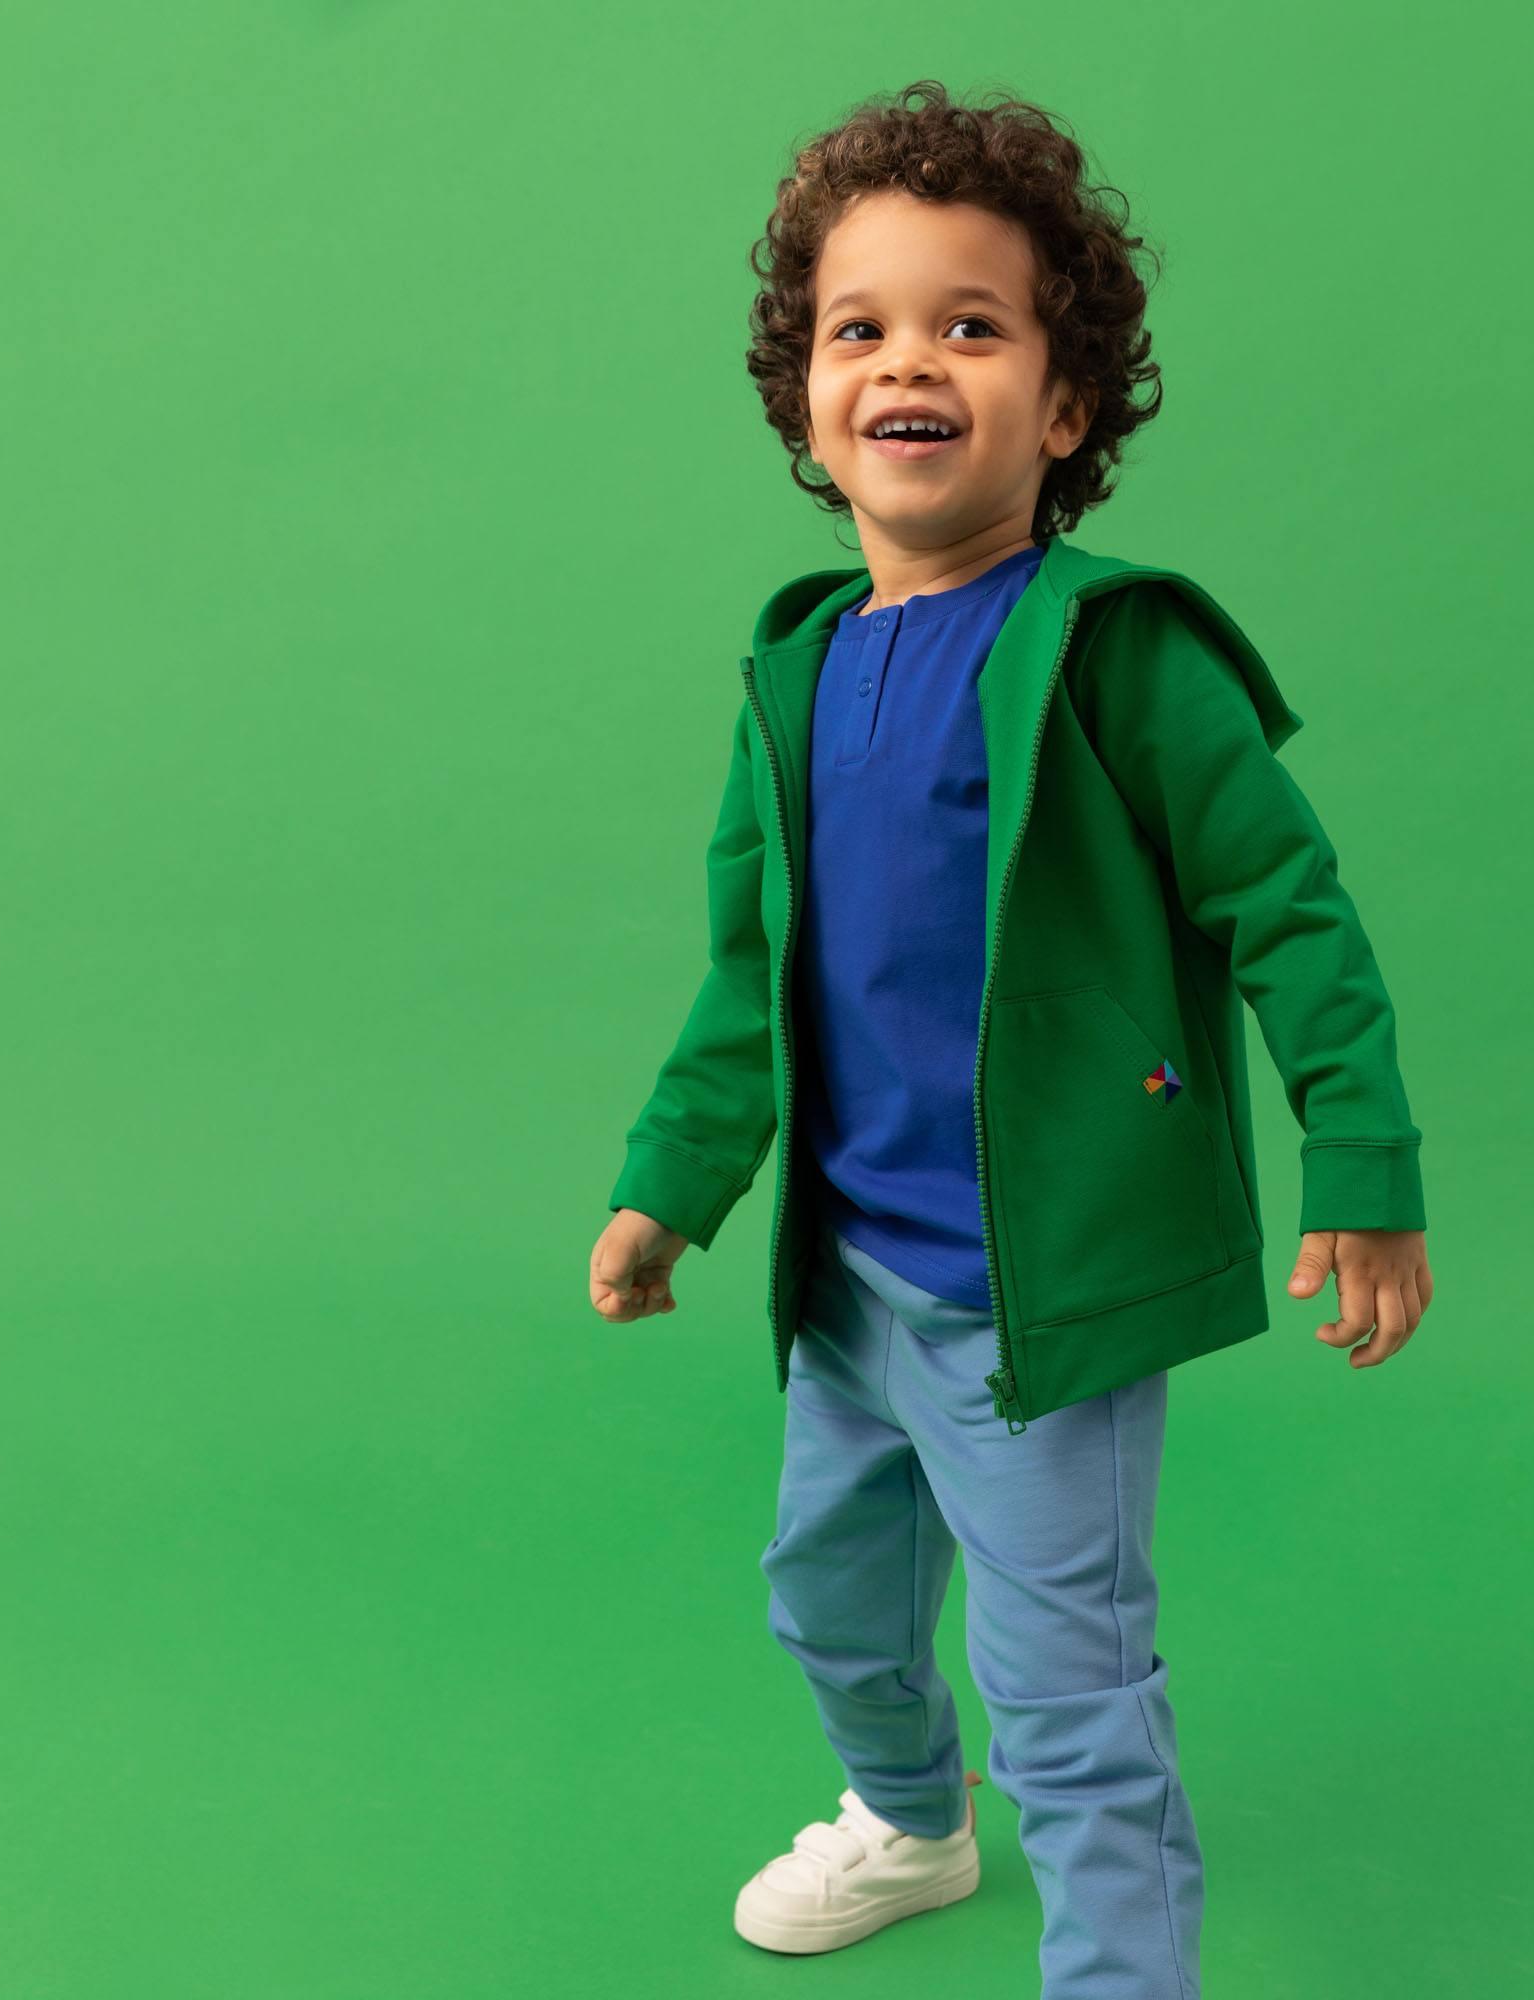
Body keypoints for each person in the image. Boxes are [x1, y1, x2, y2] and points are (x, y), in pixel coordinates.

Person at [588, 78, 1433, 2000]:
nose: (910, 362)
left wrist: (1366, 1174)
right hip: (850, 1280)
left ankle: (1121, 1973)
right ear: (808, 399)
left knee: (1069, 1686)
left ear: (1063, 410)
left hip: (1033, 1306)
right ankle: (909, 1821)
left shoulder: (1124, 651)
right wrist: (670, 1190)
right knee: (831, 1604)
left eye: (974, 325)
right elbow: (751, 979)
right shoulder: (794, 670)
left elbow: (1293, 917)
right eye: (859, 328)